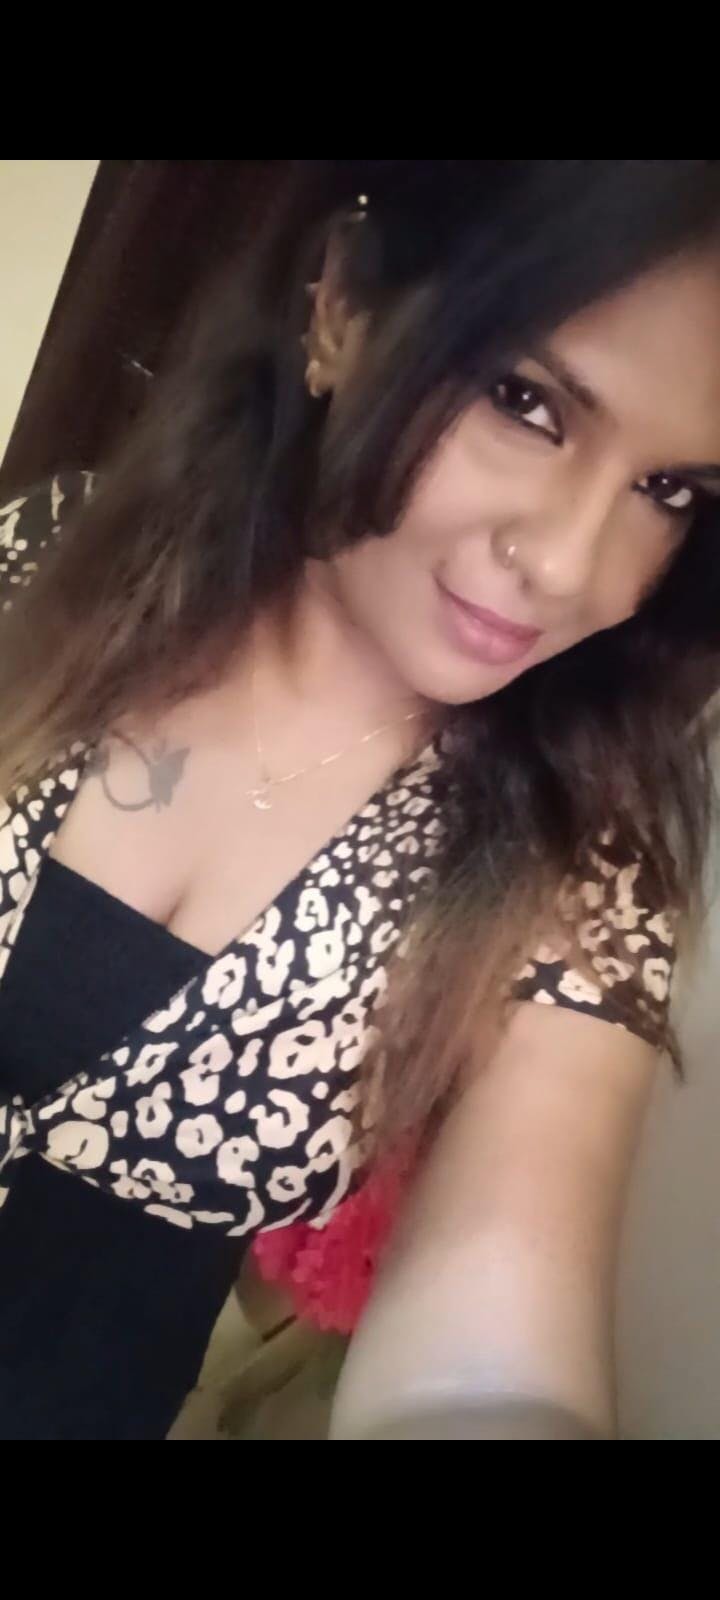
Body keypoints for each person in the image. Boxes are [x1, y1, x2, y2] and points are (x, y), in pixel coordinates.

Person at [1, 160, 720, 1441]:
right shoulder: (46, 559)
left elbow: (490, 1357)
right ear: (342, 306)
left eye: (670, 490)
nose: (569, 565)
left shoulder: (576, 864)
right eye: (525, 402)